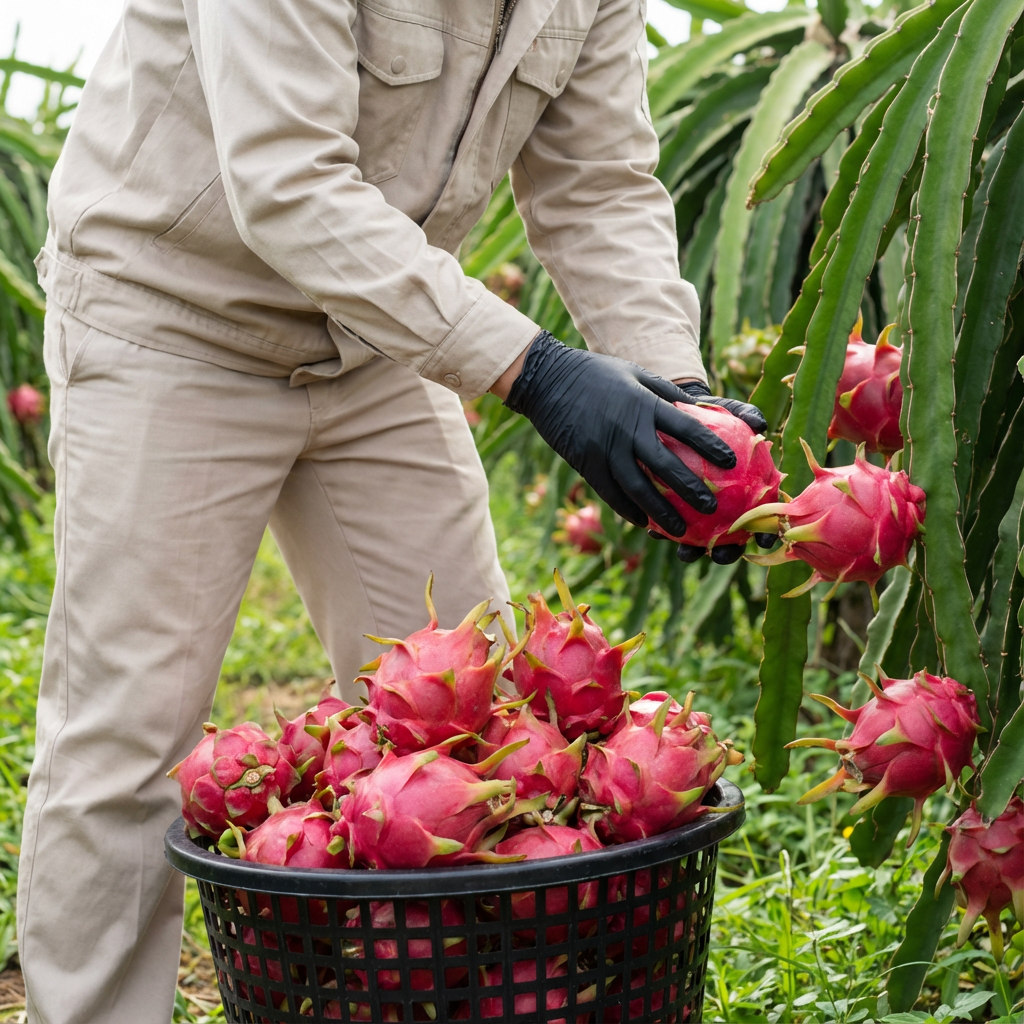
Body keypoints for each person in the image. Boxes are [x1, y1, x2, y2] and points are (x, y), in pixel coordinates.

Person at [16, 0, 765, 1020]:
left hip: (378, 337)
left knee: (479, 729)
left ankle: (457, 1000)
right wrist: (540, 374)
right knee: (129, 734)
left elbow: (597, 188)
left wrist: (680, 409)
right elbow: (288, 183)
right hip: (174, 316)